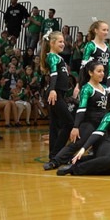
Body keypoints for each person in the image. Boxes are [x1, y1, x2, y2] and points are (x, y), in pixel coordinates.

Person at [57, 86, 110, 176]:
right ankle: (74, 169)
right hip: (108, 147)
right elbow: (97, 133)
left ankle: (87, 163)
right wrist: (83, 148)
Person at [44, 61, 107, 170]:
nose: (102, 74)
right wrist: (76, 127)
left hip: (101, 125)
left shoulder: (104, 88)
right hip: (89, 123)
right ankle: (55, 162)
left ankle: (75, 161)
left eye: (103, 71)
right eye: (99, 71)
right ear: (91, 73)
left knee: (102, 151)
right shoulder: (87, 88)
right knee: (77, 144)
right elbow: (81, 109)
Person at [40, 30, 74, 159]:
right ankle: (58, 152)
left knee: (55, 126)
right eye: (60, 42)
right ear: (52, 43)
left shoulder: (58, 57)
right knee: (69, 123)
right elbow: (54, 74)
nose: (63, 44)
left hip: (58, 93)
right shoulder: (52, 56)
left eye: (63, 41)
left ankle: (53, 154)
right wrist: (53, 90)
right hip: (55, 94)